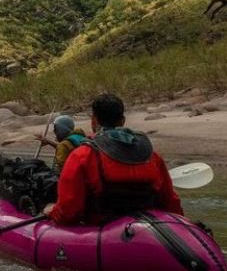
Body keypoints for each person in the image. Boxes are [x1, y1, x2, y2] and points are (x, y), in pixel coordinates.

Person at [44, 93, 182, 225]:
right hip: (148, 228)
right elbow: (171, 203)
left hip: (103, 232)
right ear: (122, 121)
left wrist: (51, 211)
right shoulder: (151, 156)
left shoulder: (82, 156)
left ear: (94, 120)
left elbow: (68, 212)